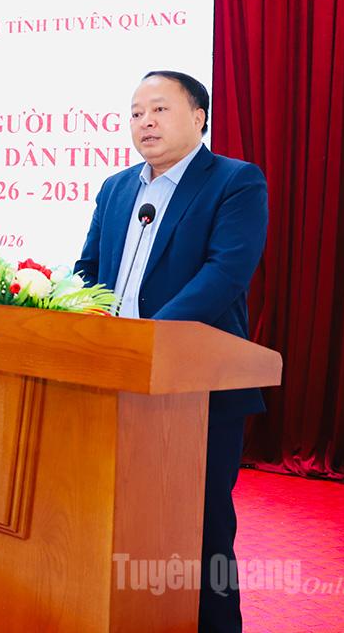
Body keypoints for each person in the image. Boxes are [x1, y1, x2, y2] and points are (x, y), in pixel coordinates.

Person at [74, 71, 268, 633]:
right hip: (115, 380)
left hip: (196, 387)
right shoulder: (116, 188)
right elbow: (89, 269)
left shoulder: (234, 182)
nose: (145, 122)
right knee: (118, 518)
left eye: (159, 109)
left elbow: (224, 274)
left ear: (199, 116)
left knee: (203, 526)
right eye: (136, 113)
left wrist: (148, 341)